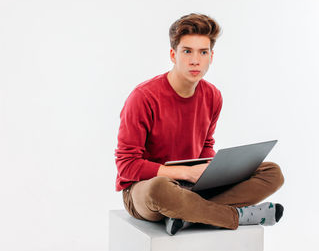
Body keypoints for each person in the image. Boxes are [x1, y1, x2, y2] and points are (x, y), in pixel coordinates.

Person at [114, 13, 285, 235]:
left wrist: (213, 170)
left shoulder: (213, 96)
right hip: (147, 188)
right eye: (187, 51)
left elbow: (205, 145)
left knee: (272, 173)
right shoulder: (143, 97)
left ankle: (187, 216)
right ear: (173, 54)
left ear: (211, 56)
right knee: (159, 189)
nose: (195, 60)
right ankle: (235, 216)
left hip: (194, 187)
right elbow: (126, 165)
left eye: (203, 52)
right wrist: (186, 173)